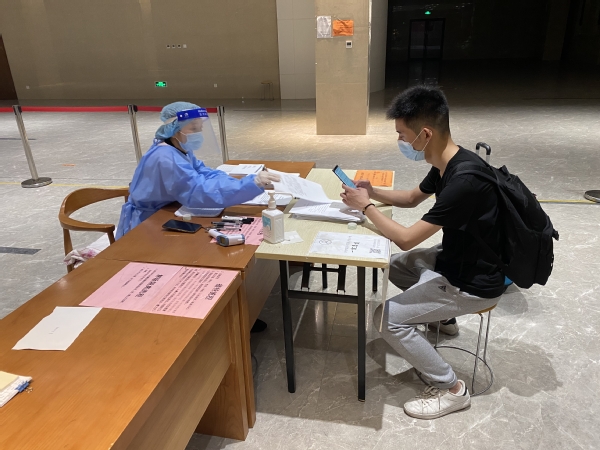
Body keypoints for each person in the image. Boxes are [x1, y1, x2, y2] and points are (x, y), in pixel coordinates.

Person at [340, 85, 504, 420]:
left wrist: (366, 207)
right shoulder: (447, 162)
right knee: (397, 266)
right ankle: (445, 318)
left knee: (384, 318)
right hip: (456, 257)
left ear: (425, 134)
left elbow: (406, 238)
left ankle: (451, 388)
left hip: (474, 281)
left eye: (402, 134)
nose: (400, 141)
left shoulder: (464, 182)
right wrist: (373, 192)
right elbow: (412, 198)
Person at [116, 101, 280, 239]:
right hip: (148, 224)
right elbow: (198, 191)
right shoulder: (166, 157)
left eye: (200, 128)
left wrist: (241, 182)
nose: (199, 132)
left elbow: (205, 173)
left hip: (165, 212)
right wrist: (250, 184)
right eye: (193, 128)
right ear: (175, 128)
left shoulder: (178, 148)